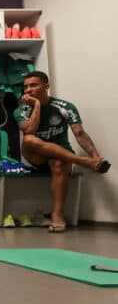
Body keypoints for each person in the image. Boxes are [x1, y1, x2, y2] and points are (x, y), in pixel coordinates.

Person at [16, 71, 110, 233]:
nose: (28, 90)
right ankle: (82, 161)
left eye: (33, 85)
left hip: (62, 156)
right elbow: (29, 131)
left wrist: (95, 157)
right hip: (37, 156)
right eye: (26, 87)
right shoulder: (22, 110)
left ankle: (57, 215)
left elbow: (79, 133)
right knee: (29, 140)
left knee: (58, 162)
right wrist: (37, 105)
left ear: (46, 87)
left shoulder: (65, 107)